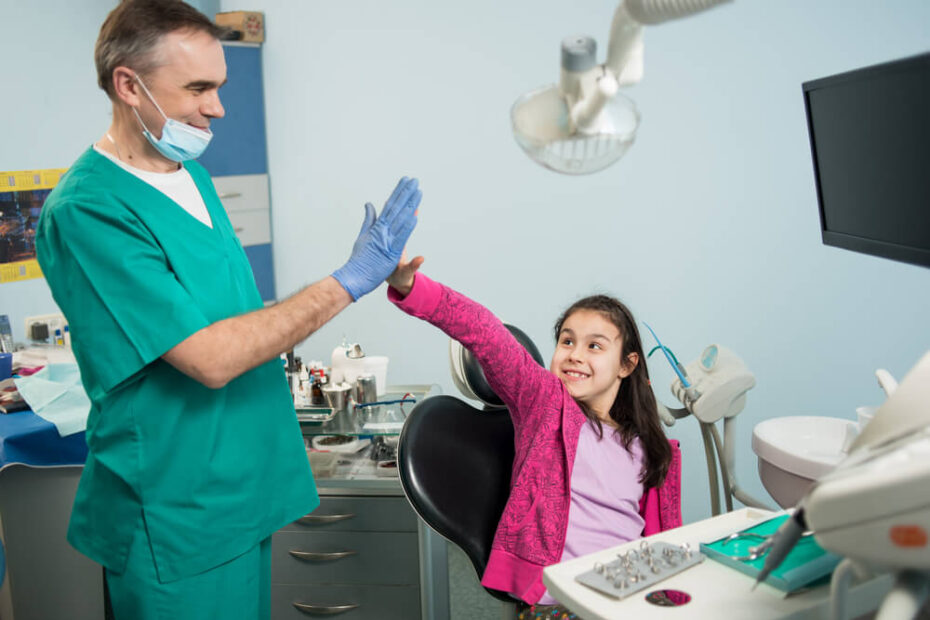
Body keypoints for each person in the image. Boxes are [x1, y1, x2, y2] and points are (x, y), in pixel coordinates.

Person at [34, 1, 421, 618]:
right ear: (128, 85)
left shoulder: (191, 175)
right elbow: (211, 357)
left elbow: (233, 313)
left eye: (219, 85)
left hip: (245, 483)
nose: (217, 107)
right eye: (198, 88)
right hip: (176, 508)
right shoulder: (89, 211)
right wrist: (347, 282)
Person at [386, 256, 681, 618]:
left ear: (627, 364)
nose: (574, 355)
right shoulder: (545, 404)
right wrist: (412, 287)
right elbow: (485, 333)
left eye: (594, 346)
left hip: (631, 600)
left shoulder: (649, 448)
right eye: (567, 341)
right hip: (563, 603)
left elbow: (662, 545)